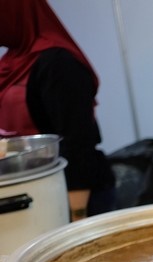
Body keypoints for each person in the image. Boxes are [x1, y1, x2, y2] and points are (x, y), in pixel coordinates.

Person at [0, 0, 115, 221]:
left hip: (74, 195)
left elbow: (78, 142)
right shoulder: (11, 61)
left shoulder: (58, 63)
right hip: (34, 193)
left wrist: (78, 215)